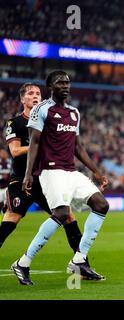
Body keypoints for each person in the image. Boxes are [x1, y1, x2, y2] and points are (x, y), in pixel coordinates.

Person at [11, 71, 109, 285]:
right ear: (50, 86)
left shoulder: (74, 113)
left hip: (71, 171)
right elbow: (35, 143)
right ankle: (23, 262)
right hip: (50, 171)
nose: (65, 86)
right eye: (60, 83)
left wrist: (96, 170)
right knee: (63, 213)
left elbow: (78, 146)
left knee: (101, 204)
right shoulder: (41, 109)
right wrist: (28, 174)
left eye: (67, 82)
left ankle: (79, 259)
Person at [0, 83, 83, 253]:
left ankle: (82, 264)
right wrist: (39, 145)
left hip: (46, 180)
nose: (35, 95)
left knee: (68, 216)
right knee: (12, 218)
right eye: (30, 93)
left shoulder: (49, 122)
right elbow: (15, 151)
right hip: (23, 179)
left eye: (38, 93)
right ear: (23, 99)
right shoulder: (15, 123)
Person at [0, 148, 11, 213]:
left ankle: (5, 220)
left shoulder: (10, 162)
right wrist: (2, 176)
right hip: (0, 187)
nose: (3, 154)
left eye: (4, 153)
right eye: (2, 153)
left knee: (8, 206)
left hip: (8, 187)